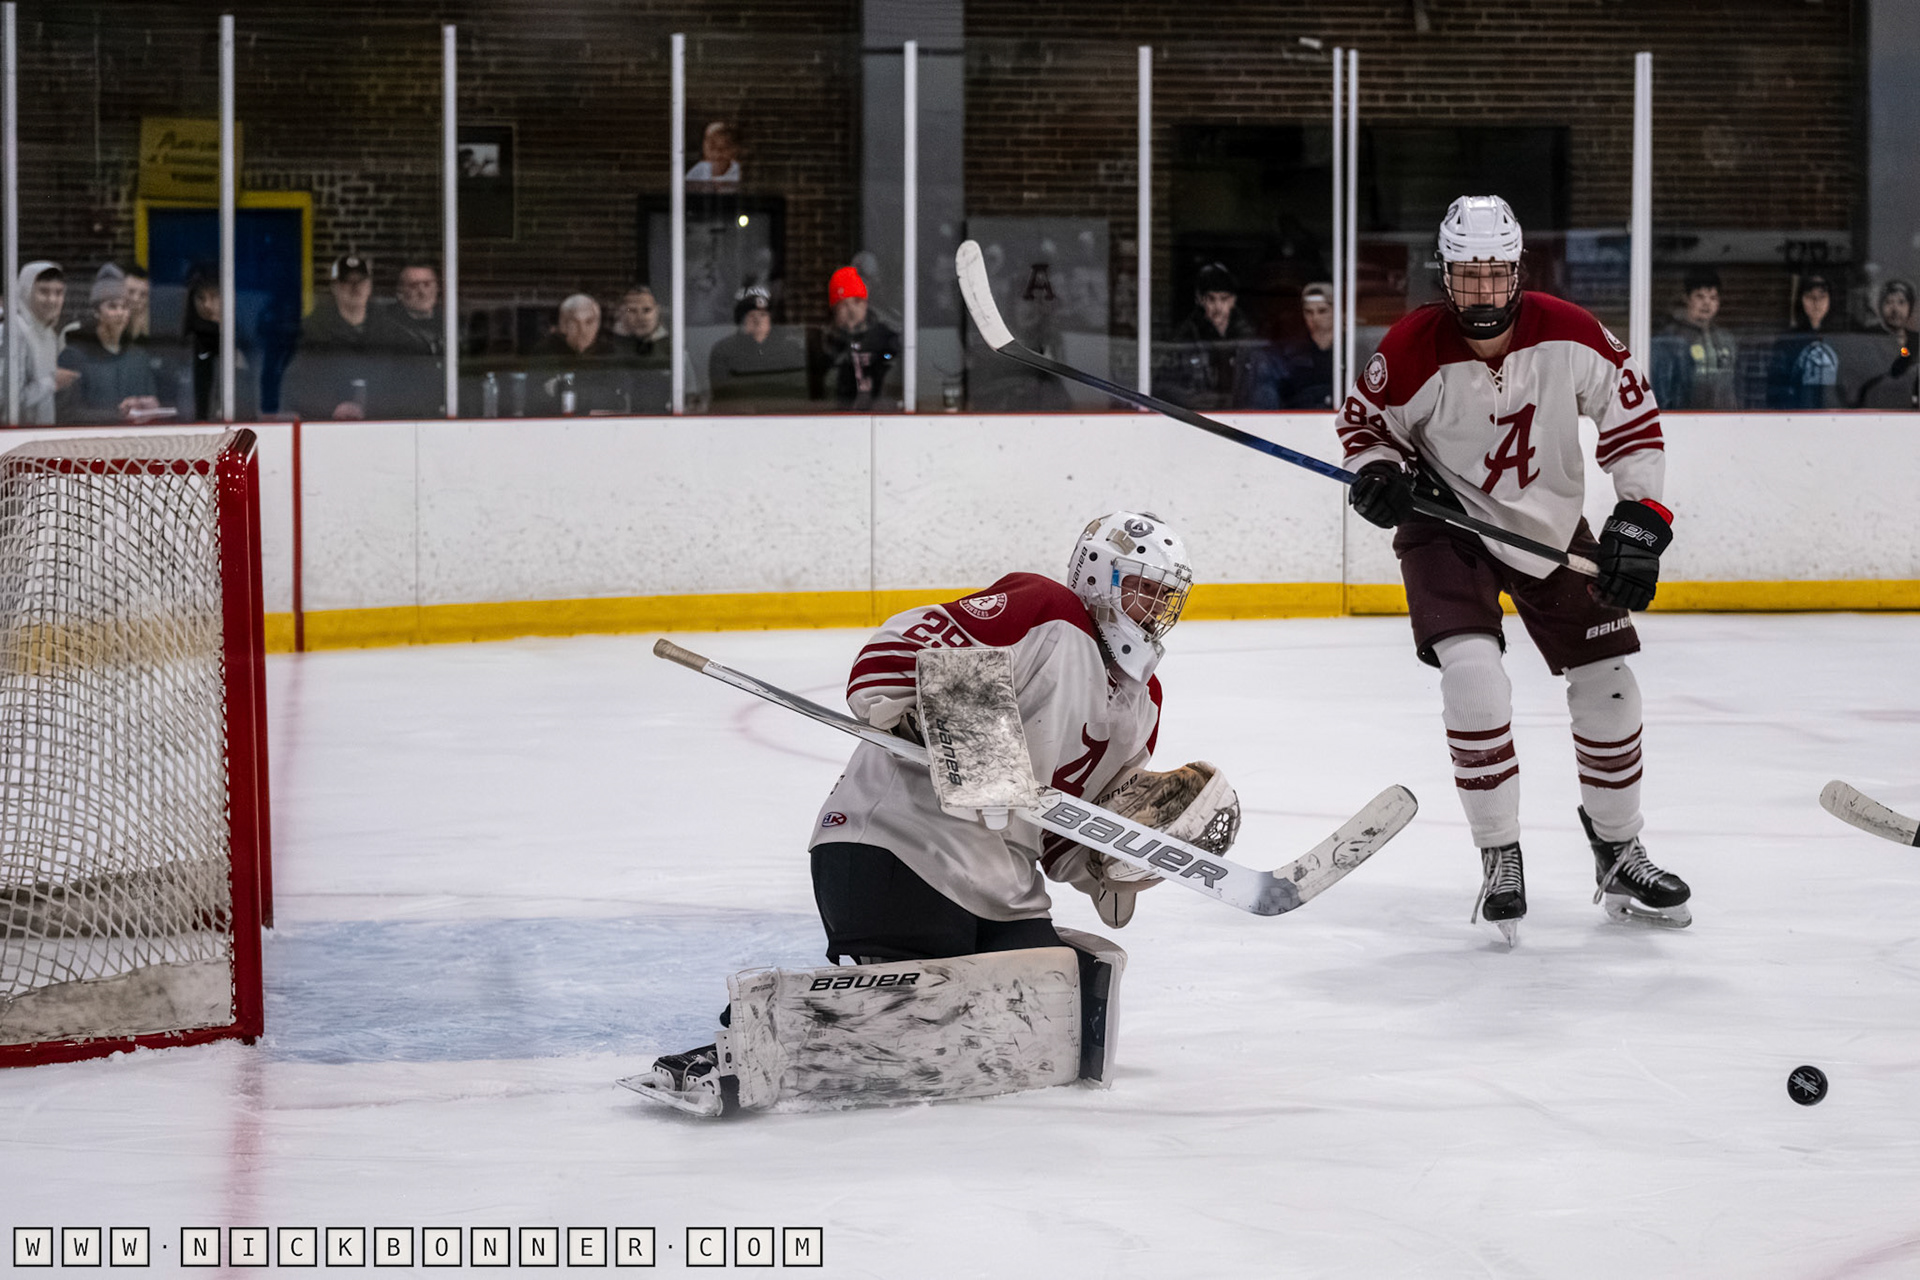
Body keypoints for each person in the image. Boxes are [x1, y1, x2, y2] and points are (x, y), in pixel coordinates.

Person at [635, 511, 1229, 1113]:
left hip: (1002, 882)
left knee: (1053, 1012)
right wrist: (964, 729)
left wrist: (1125, 857)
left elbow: (1061, 837)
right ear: (1100, 577)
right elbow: (888, 655)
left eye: (1167, 597)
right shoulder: (1045, 610)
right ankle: (735, 1045)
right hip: (895, 846)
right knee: (919, 1021)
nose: (1154, 609)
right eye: (1142, 588)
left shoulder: (1143, 702)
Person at [1338, 194, 1690, 946]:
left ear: (1517, 273)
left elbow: (1634, 420)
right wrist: (1378, 473)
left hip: (1552, 529)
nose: (1483, 294)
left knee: (1612, 687)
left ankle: (1619, 849)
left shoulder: (1570, 332)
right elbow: (1365, 427)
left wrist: (1639, 519)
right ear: (1446, 276)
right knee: (1475, 680)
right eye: (1467, 278)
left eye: (1496, 277)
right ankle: (1500, 856)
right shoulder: (1407, 347)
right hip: (1447, 530)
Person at [55, 265, 159, 424]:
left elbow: (152, 405)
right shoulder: (73, 356)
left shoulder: (139, 357)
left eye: (124, 307)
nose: (120, 313)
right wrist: (116, 413)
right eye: (112, 306)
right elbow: (66, 413)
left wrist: (151, 406)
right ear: (97, 312)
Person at [1158, 262, 1266, 411]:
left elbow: (1263, 385)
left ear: (1233, 300)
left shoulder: (1249, 339)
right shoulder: (1185, 338)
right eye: (1211, 299)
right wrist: (1198, 401)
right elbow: (1163, 387)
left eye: (1224, 299)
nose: (1218, 307)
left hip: (1243, 421)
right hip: (1199, 421)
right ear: (1200, 300)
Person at [285, 254, 378, 420]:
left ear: (369, 285)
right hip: (324, 425)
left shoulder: (388, 330)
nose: (355, 287)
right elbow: (296, 384)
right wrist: (331, 407)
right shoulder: (310, 332)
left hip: (383, 426)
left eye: (361, 281)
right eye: (347, 281)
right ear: (335, 287)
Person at [707, 286, 807, 412]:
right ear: (742, 320)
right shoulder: (723, 351)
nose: (757, 320)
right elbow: (722, 396)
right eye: (751, 315)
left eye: (763, 315)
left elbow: (800, 393)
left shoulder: (791, 350)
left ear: (771, 320)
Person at [1651, 267, 1738, 410]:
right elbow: (1662, 388)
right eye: (1700, 296)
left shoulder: (1726, 339)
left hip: (1725, 420)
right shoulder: (1670, 339)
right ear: (1686, 298)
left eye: (1713, 298)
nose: (1706, 303)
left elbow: (1736, 383)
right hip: (1686, 419)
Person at [813, 265, 899, 410]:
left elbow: (898, 382)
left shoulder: (886, 338)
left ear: (865, 303)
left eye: (857, 301)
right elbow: (823, 388)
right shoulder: (825, 342)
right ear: (834, 310)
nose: (852, 309)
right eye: (844, 305)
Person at [371, 259, 447, 418]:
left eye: (427, 284)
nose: (422, 292)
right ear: (400, 292)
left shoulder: (450, 323)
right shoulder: (386, 329)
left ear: (437, 288)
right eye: (413, 285)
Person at [528, 293, 623, 413]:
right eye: (574, 322)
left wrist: (567, 387)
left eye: (589, 322)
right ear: (563, 325)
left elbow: (618, 397)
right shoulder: (545, 352)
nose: (582, 330)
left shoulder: (611, 353)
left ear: (597, 324)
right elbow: (536, 400)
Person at [1766, 273, 1841, 409]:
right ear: (1800, 300)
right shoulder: (1787, 341)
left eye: (1822, 296)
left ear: (1831, 300)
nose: (1816, 302)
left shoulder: (1841, 339)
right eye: (1809, 296)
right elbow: (1776, 389)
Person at [14, 262, 74, 424]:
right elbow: (6, 400)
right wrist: (52, 382)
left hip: (40, 437)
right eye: (43, 292)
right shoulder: (13, 332)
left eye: (59, 293)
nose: (52, 300)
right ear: (27, 291)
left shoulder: (49, 334)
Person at [1271, 281, 1337, 409]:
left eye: (1322, 311)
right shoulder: (1290, 354)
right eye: (1308, 312)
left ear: (1337, 311)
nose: (1315, 318)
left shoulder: (1351, 352)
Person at [1855, 279, 1917, 409]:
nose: (1895, 309)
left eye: (1901, 302)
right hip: (1874, 409)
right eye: (1889, 302)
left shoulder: (1916, 340)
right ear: (1880, 307)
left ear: (1910, 307)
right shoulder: (1871, 338)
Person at [685, 121, 741, 187]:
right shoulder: (700, 169)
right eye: (712, 147)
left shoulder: (740, 172)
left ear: (734, 149)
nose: (717, 154)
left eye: (724, 148)